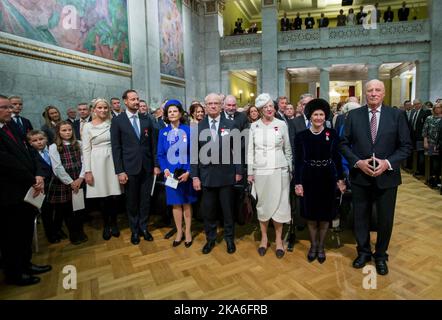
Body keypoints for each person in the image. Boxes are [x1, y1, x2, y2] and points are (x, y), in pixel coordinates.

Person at [340, 79, 412, 275]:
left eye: (377, 90)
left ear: (383, 93)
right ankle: (363, 252)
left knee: (385, 219)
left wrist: (387, 163)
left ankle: (380, 255)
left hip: (387, 177)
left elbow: (406, 146)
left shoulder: (397, 115)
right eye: (370, 90)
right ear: (365, 93)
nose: (373, 93)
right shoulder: (353, 115)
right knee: (360, 217)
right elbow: (343, 144)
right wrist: (358, 162)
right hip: (360, 176)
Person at [0, 95, 51, 286]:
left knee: (25, 231)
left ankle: (26, 264)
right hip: (9, 194)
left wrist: (39, 175)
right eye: (5, 107)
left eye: (10, 107)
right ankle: (14, 273)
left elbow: (30, 151)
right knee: (11, 236)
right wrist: (32, 179)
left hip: (29, 188)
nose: (10, 111)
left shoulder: (12, 126)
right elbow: (7, 163)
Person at [294, 99, 346, 263]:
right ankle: (313, 245)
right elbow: (298, 161)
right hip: (308, 177)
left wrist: (340, 179)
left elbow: (337, 158)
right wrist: (298, 182)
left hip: (327, 177)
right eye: (315, 114)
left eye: (321, 114)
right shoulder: (301, 136)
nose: (318, 117)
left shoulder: (332, 134)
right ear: (310, 116)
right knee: (310, 215)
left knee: (324, 215)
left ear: (325, 116)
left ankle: (321, 246)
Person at [191, 93, 243, 255]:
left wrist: (239, 171)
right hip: (206, 176)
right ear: (205, 106)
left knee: (228, 211)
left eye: (216, 103)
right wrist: (195, 176)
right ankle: (210, 239)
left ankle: (229, 238)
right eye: (210, 103)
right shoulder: (197, 127)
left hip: (227, 175)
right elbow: (194, 154)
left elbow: (237, 151)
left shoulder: (231, 124)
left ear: (221, 105)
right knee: (209, 211)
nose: (213, 106)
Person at [110, 89, 161, 245]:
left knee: (145, 200)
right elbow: (116, 148)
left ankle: (144, 227)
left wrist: (156, 165)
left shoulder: (146, 119)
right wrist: (120, 171)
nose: (136, 102)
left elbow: (153, 145)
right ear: (125, 101)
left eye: (137, 99)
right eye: (133, 99)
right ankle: (134, 230)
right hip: (129, 168)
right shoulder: (118, 121)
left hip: (147, 168)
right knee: (132, 201)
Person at [247, 93, 292, 258]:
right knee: (263, 205)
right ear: (260, 110)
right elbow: (250, 151)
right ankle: (264, 238)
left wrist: (290, 168)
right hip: (260, 171)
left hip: (280, 170)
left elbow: (287, 149)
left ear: (274, 108)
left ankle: (279, 240)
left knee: (280, 205)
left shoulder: (281, 125)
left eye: (271, 106)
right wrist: (250, 172)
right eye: (265, 107)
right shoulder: (254, 127)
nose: (269, 109)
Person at [157, 100, 197, 247]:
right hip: (170, 174)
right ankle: (179, 231)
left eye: (175, 111)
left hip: (185, 173)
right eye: (169, 112)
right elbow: (160, 154)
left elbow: (194, 153)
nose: (172, 114)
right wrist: (165, 169)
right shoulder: (163, 132)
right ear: (167, 115)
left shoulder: (189, 130)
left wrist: (188, 171)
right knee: (175, 204)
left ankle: (188, 232)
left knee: (186, 203)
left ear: (180, 113)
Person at [82, 99, 122, 240]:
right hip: (97, 161)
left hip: (112, 159)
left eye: (105, 107)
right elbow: (86, 149)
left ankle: (114, 223)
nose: (103, 110)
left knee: (114, 195)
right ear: (94, 109)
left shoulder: (113, 123)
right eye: (100, 107)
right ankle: (106, 225)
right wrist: (87, 171)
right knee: (103, 196)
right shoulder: (87, 126)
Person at [47, 121, 88, 245]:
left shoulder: (79, 144)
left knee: (79, 208)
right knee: (68, 210)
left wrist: (80, 178)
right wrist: (70, 182)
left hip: (79, 179)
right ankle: (73, 234)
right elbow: (57, 167)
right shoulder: (54, 147)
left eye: (69, 130)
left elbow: (85, 161)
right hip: (64, 182)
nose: (67, 132)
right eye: (64, 130)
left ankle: (80, 231)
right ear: (58, 132)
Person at [27, 130, 59, 243]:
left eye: (41, 139)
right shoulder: (30, 154)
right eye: (35, 140)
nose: (39, 142)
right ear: (30, 143)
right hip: (43, 187)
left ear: (46, 139)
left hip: (57, 183)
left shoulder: (53, 149)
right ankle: (51, 235)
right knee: (47, 212)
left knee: (59, 209)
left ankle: (59, 230)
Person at [422, 103, 442, 187]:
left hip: (440, 144)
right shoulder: (429, 118)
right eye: (436, 108)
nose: (437, 109)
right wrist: (425, 141)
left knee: (439, 163)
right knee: (432, 162)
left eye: (439, 107)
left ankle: (438, 178)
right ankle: (432, 178)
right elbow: (425, 131)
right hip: (431, 143)